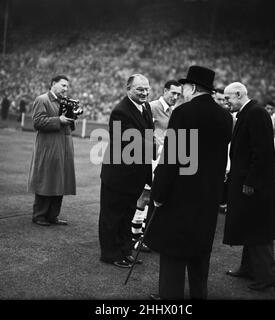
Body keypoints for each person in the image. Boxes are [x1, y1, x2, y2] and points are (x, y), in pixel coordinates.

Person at [145, 66, 233, 299]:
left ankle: (170, 298)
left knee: (173, 251)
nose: (181, 91)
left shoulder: (184, 113)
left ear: (192, 87)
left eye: (184, 86)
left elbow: (171, 159)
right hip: (209, 195)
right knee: (200, 251)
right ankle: (198, 294)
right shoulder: (225, 116)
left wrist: (159, 194)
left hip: (180, 195)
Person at [223, 82, 275, 291]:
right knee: (250, 226)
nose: (225, 102)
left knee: (259, 229)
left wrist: (250, 182)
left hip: (255, 185)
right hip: (249, 181)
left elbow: (262, 153)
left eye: (228, 98)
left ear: (239, 94)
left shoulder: (256, 113)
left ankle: (269, 276)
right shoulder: (250, 112)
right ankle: (249, 268)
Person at [99, 74, 154, 268]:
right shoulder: (120, 111)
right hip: (118, 175)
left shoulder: (145, 107)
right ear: (128, 89)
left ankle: (125, 251)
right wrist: (155, 145)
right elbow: (130, 142)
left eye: (147, 89)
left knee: (126, 216)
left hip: (134, 176)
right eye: (140, 89)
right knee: (112, 216)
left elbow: (147, 135)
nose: (145, 92)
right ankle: (110, 254)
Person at [131, 80, 182, 250]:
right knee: (144, 196)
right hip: (151, 158)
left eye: (178, 95)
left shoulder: (174, 111)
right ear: (165, 91)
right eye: (173, 93)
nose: (175, 97)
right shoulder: (151, 107)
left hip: (162, 159)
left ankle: (144, 234)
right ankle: (134, 233)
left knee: (153, 197)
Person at [27, 75, 76, 226]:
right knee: (46, 179)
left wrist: (72, 116)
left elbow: (69, 126)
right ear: (53, 84)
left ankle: (53, 215)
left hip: (64, 145)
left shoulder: (64, 102)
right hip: (48, 146)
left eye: (67, 86)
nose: (66, 89)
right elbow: (37, 122)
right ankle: (40, 215)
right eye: (63, 85)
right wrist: (58, 120)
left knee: (59, 180)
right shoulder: (42, 100)